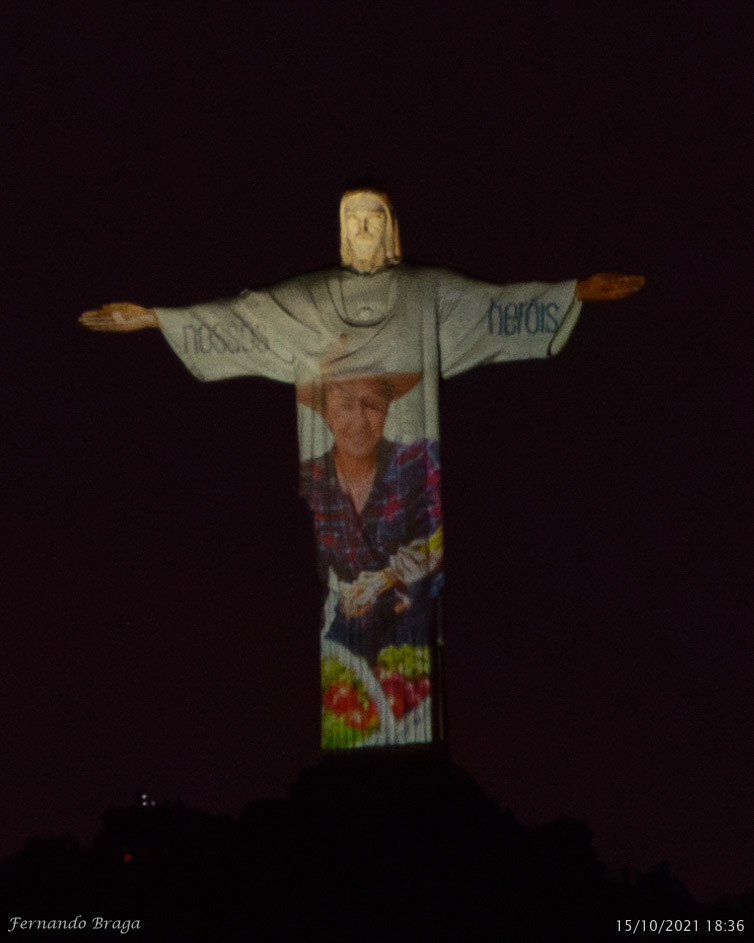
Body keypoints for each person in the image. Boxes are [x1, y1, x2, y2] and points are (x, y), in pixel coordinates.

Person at [79, 188, 644, 749]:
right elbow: (241, 319)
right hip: (343, 599)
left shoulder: (424, 296)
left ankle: (410, 743)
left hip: (409, 580)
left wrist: (574, 293)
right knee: (347, 658)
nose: (364, 229)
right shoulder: (311, 302)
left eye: (374, 218)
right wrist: (156, 319)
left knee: (410, 647)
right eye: (352, 220)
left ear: (393, 229)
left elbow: (495, 309)